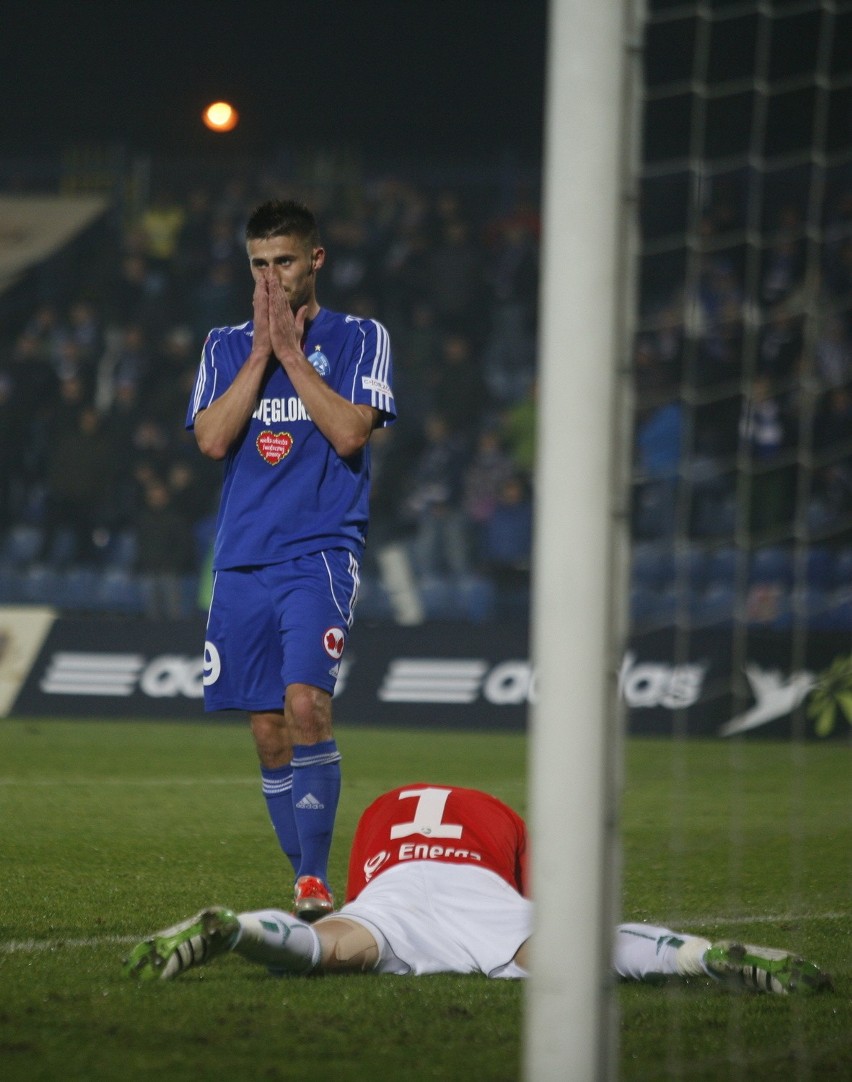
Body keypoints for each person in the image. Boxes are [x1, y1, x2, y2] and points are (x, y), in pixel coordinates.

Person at [184, 199, 396, 921]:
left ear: (315, 261)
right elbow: (212, 439)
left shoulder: (363, 337)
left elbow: (348, 434)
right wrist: (259, 355)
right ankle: (305, 882)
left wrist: (294, 357)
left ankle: (312, 878)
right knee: (266, 728)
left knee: (307, 705)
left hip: (320, 553)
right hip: (242, 559)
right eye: (258, 265)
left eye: (283, 261)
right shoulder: (222, 346)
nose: (271, 277)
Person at [124, 782, 832, 996]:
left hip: (394, 887)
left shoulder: (381, 810)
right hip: (477, 886)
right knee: (569, 951)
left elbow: (360, 886)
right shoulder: (499, 816)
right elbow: (537, 891)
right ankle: (699, 956)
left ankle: (237, 927)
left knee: (331, 944)